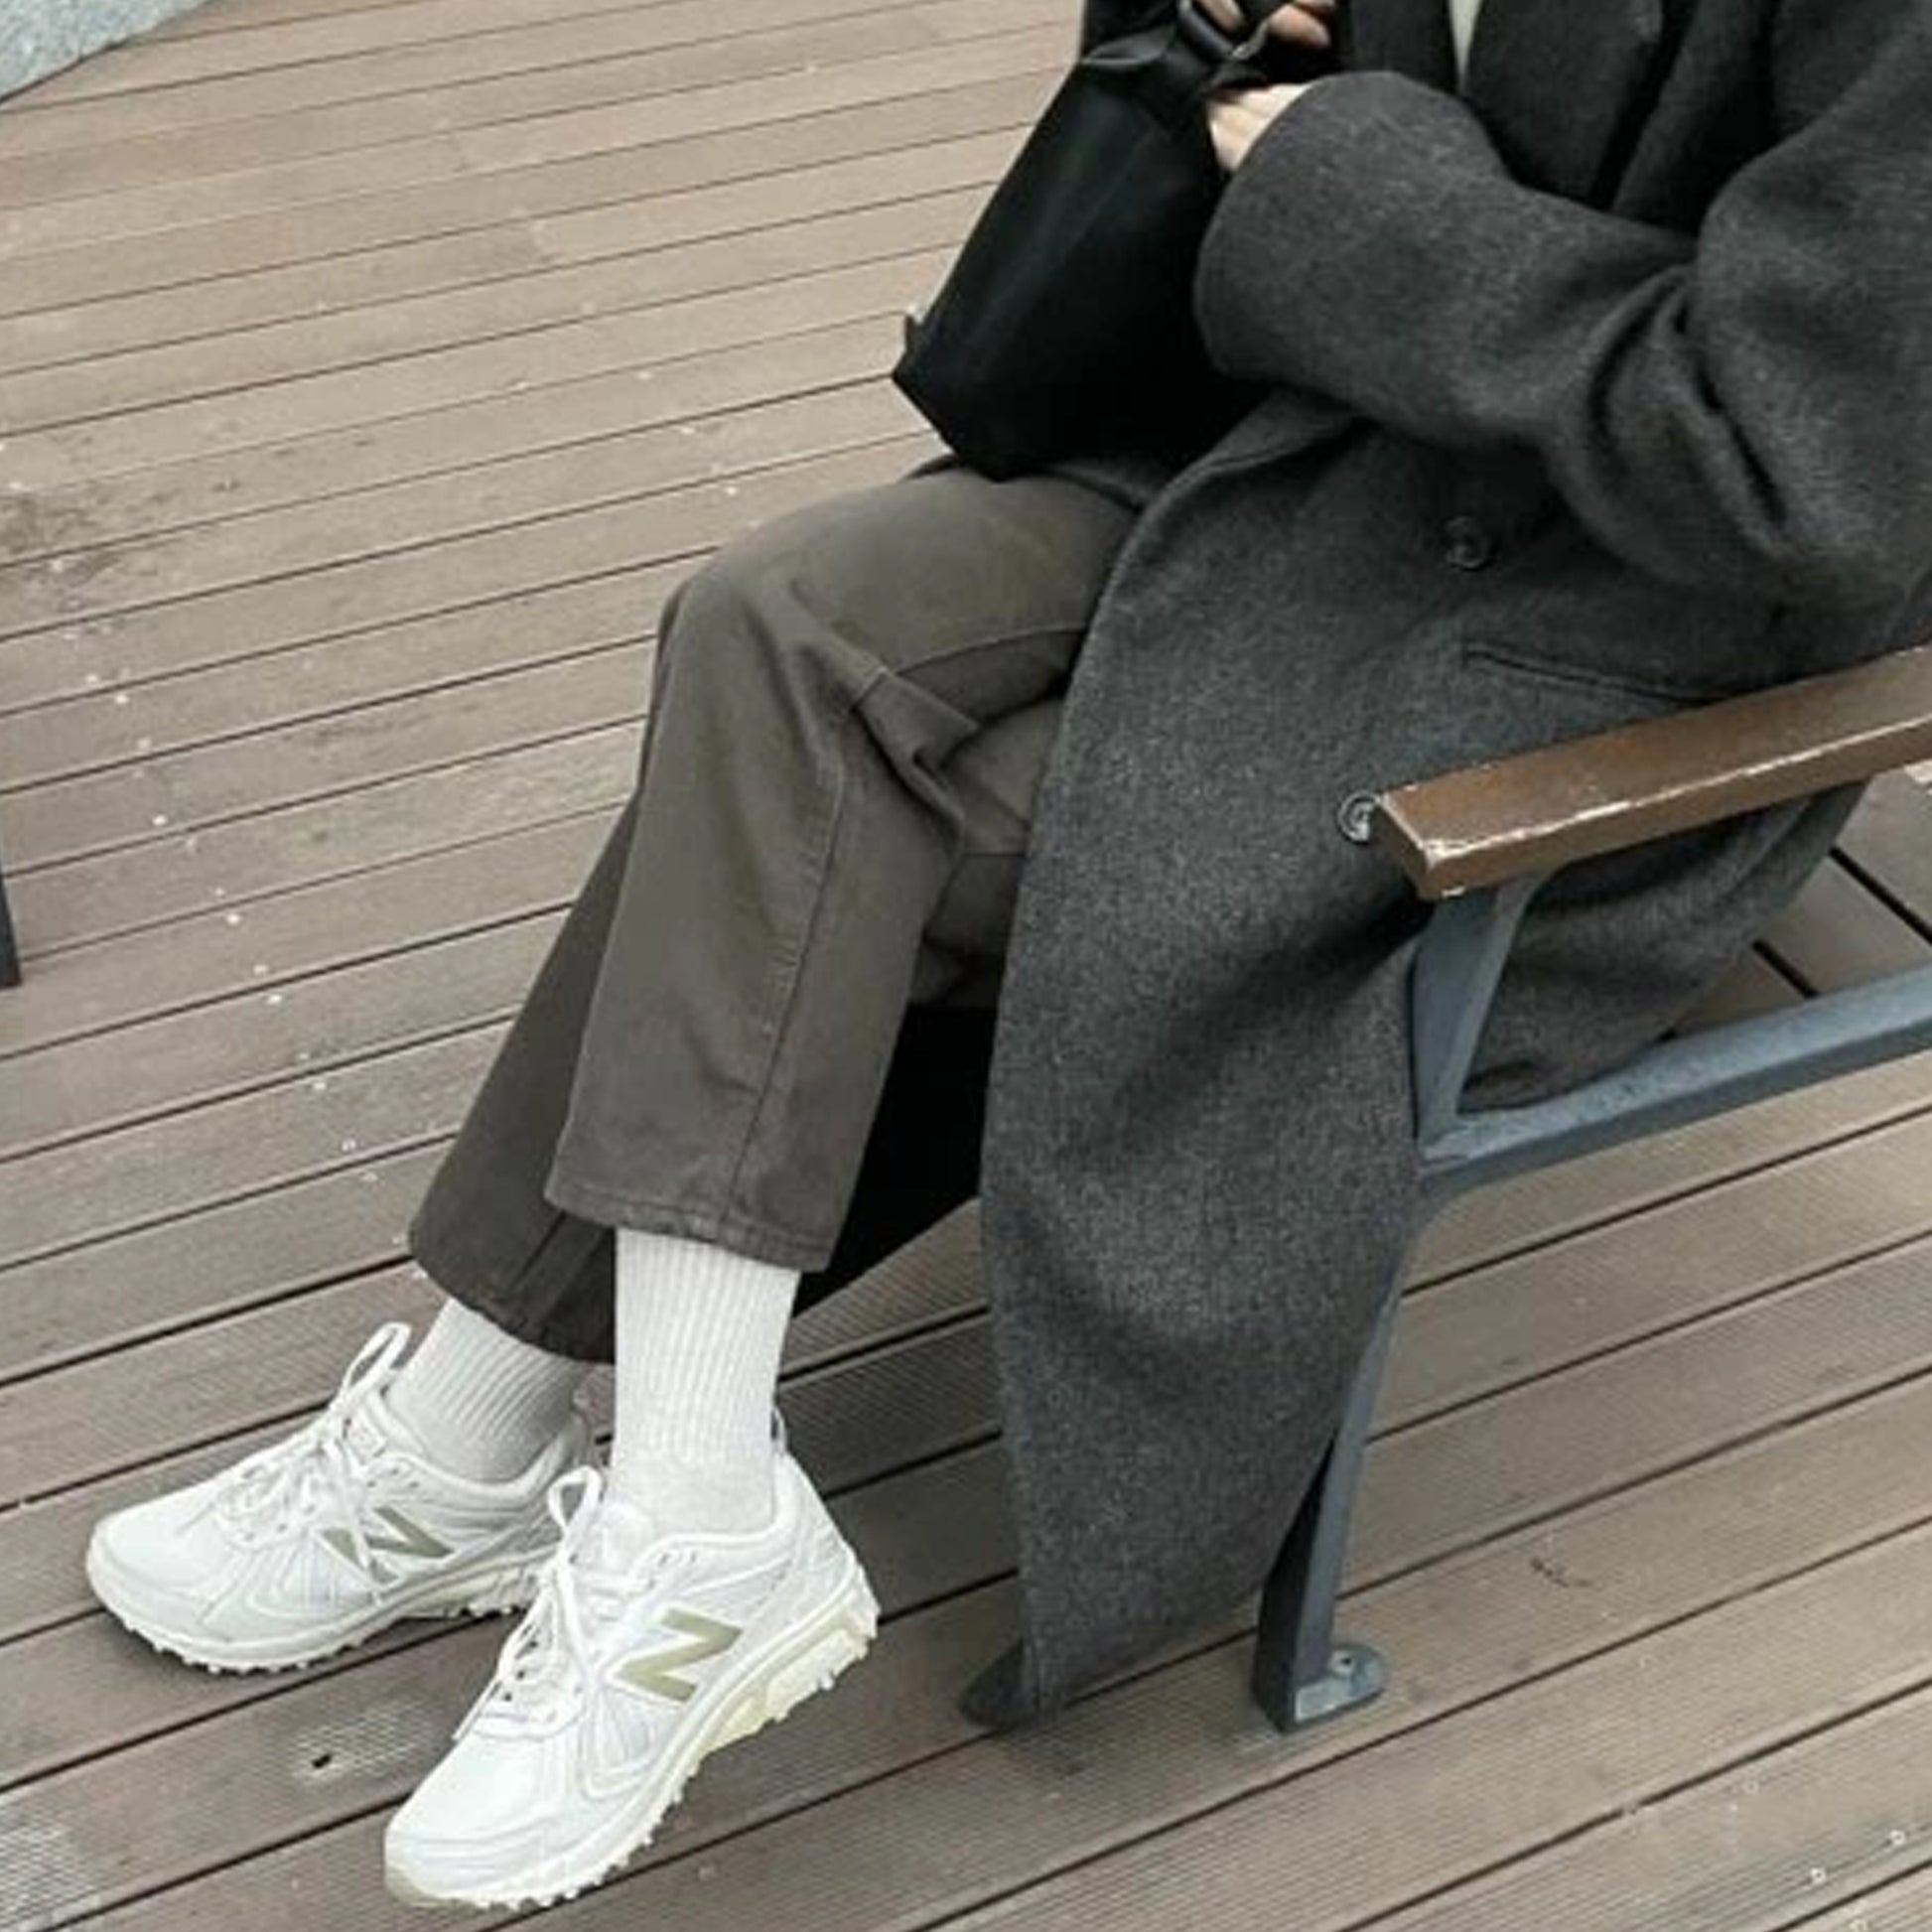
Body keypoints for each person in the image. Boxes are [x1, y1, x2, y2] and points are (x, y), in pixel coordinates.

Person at [83, 0, 1932, 1911]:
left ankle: (525, 1457)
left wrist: (1340, 173)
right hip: (1324, 454)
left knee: (818, 818)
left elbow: (1806, 467)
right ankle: (597, 1482)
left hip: (1591, 650)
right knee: (772, 621)